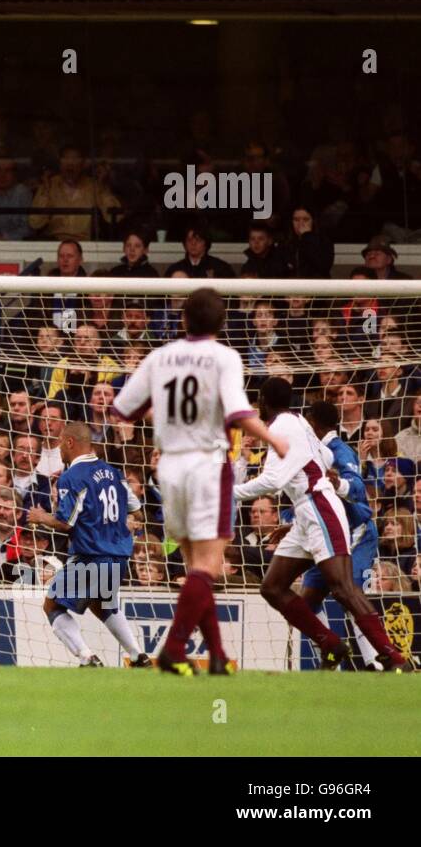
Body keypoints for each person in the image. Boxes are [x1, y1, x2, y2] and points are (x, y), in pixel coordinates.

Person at [110, 288, 289, 676]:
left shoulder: (159, 357)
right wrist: (274, 438)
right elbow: (238, 413)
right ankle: (173, 649)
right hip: (207, 464)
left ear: (183, 321)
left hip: (169, 467)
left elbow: (122, 408)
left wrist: (168, 415)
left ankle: (218, 657)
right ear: (222, 324)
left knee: (194, 565)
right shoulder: (224, 356)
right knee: (209, 565)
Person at [238, 378, 412, 671]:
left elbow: (274, 480)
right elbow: (319, 459)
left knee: (344, 588)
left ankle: (392, 658)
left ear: (264, 401)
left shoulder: (283, 425)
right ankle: (331, 644)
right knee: (273, 587)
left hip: (321, 509)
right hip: (307, 514)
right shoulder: (299, 424)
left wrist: (226, 492)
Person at [26, 422, 151, 668]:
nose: (60, 449)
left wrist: (41, 518)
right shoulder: (115, 474)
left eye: (61, 443)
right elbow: (139, 513)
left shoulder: (71, 477)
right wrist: (121, 523)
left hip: (90, 555)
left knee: (51, 604)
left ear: (70, 442)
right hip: (119, 556)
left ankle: (87, 657)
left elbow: (66, 524)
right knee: (101, 603)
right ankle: (139, 656)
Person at [303, 400, 385, 668]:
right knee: (307, 603)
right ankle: (330, 662)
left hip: (355, 533)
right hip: (325, 535)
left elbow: (359, 488)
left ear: (314, 421)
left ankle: (375, 662)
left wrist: (339, 483)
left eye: (307, 420)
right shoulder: (311, 451)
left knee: (349, 593)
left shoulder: (339, 451)